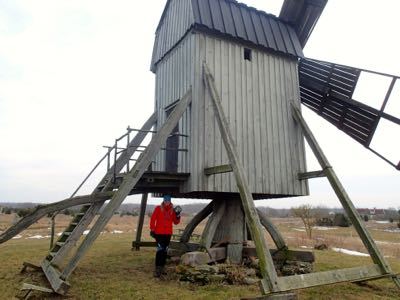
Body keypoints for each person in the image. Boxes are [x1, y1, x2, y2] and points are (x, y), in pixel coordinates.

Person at [150, 194, 182, 277]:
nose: (167, 202)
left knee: (165, 251)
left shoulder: (173, 210)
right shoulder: (158, 208)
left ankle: (162, 268)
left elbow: (175, 222)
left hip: (168, 234)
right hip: (159, 233)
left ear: (170, 201)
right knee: (160, 250)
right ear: (163, 201)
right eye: (165, 201)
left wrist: (178, 215)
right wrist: (152, 229)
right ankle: (157, 269)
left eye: (168, 201)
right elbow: (153, 219)